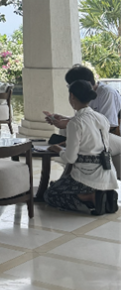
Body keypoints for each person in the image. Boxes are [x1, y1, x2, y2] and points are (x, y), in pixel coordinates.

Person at [43, 79, 118, 214]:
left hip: (87, 176)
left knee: (50, 195)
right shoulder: (102, 118)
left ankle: (91, 197)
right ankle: (102, 196)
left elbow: (70, 158)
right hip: (107, 173)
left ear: (72, 96)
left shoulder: (75, 123)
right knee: (58, 185)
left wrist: (57, 149)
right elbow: (93, 141)